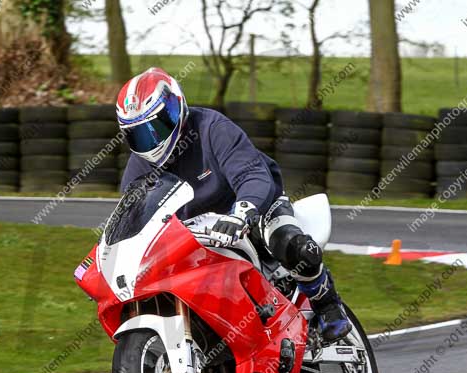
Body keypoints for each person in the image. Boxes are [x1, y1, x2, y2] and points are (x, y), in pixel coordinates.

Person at [116, 67, 351, 342]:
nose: (151, 141)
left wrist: (243, 211)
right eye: (140, 135)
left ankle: (328, 305)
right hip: (194, 233)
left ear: (174, 109)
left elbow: (251, 174)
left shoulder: (212, 128)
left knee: (292, 244)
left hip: (252, 208)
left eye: (156, 128)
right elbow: (132, 218)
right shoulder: (138, 168)